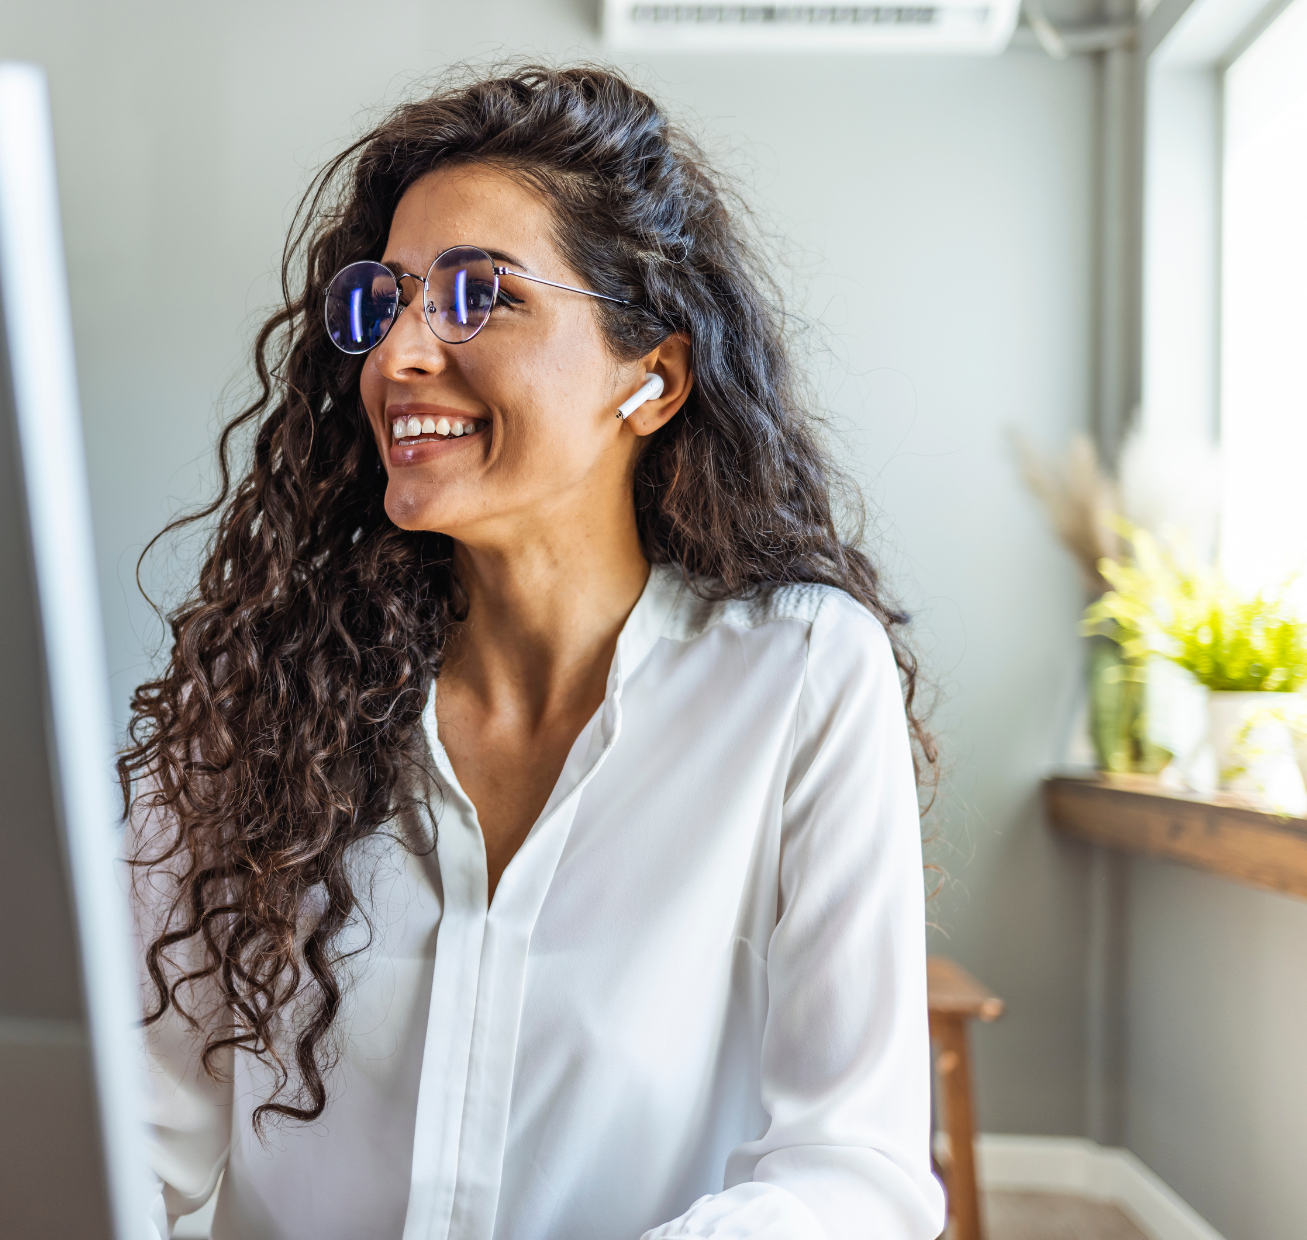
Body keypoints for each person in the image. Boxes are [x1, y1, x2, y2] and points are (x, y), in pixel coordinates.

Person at [121, 64, 946, 1240]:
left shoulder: (799, 678)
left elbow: (852, 1174)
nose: (398, 353)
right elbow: (126, 1138)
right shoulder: (262, 698)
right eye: (385, 300)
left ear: (649, 378)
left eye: (477, 294)